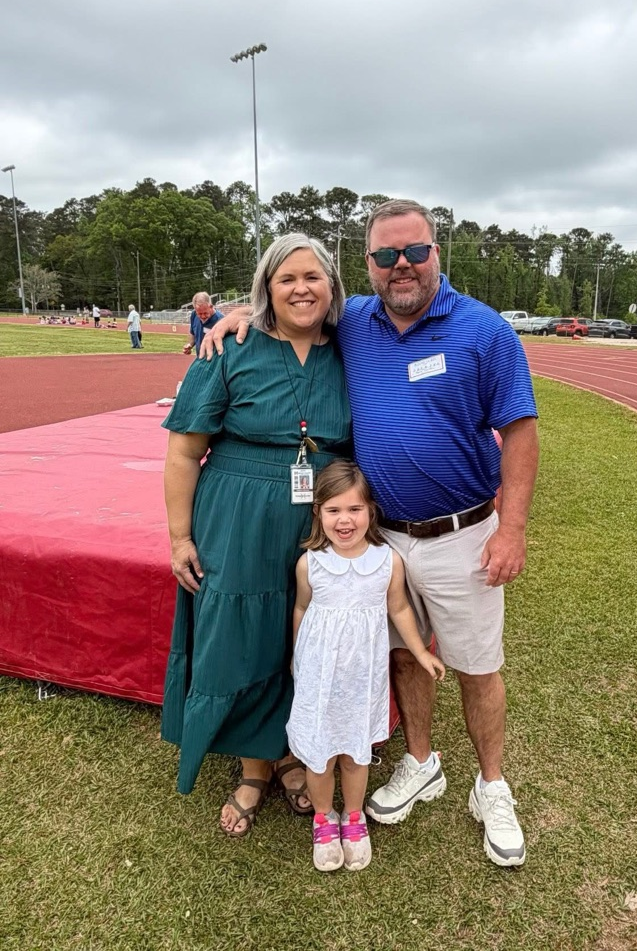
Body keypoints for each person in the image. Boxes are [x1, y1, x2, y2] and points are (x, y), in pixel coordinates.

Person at [202, 199, 539, 867]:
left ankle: (493, 785)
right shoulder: (354, 320)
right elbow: (289, 307)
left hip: (462, 531)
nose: (402, 266)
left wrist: (514, 529)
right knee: (406, 655)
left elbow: (522, 432)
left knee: (475, 665)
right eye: (386, 256)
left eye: (414, 251)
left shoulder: (484, 331)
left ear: (437, 251)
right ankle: (420, 760)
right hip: (382, 535)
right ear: (368, 266)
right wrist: (239, 315)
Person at [161, 233, 352, 839]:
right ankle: (253, 769)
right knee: (244, 634)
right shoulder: (230, 348)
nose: (301, 288)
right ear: (266, 288)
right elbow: (185, 449)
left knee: (304, 634)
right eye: (286, 278)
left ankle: (294, 753)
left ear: (332, 286)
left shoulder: (351, 349)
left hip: (322, 517)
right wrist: (179, 537)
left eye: (313, 277)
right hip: (238, 515)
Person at [288, 460, 445, 872]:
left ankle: (353, 816)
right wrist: (296, 657)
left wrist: (422, 650)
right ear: (318, 513)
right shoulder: (311, 563)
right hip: (320, 676)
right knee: (320, 754)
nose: (345, 520)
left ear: (370, 512)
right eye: (333, 510)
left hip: (361, 679)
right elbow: (302, 610)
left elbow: (400, 609)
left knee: (356, 754)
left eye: (354, 509)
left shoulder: (386, 561)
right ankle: (325, 818)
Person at [183, 292, 225, 356]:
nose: (203, 316)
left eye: (205, 313)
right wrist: (190, 345)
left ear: (211, 306)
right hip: (200, 358)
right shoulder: (194, 314)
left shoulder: (221, 320)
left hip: (214, 360)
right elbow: (193, 333)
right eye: (199, 314)